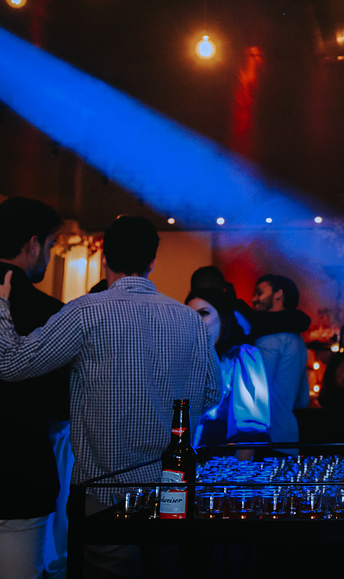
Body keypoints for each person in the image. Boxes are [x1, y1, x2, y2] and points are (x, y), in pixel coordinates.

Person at [0, 215, 221, 578]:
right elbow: (213, 391)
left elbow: (11, 363)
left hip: (104, 491)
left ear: (104, 257)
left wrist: (2, 308)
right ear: (153, 261)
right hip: (170, 484)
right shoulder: (190, 320)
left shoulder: (86, 311)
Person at [0, 197, 66, 579]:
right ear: (32, 244)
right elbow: (60, 404)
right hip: (20, 473)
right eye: (52, 246)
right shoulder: (48, 312)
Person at [185, 288, 270, 447]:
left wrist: (240, 467)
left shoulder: (242, 356)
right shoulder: (183, 358)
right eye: (189, 315)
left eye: (203, 313)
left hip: (223, 459)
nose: (196, 321)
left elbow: (250, 430)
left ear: (222, 318)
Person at [252, 273, 311, 447]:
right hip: (288, 435)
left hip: (265, 437)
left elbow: (256, 389)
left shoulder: (270, 339)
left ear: (278, 294)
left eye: (259, 292)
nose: (254, 299)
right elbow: (303, 399)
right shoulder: (298, 340)